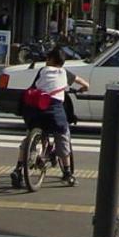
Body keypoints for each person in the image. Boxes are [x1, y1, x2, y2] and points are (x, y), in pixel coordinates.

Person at [12, 48, 89, 188]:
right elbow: (84, 84)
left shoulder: (42, 71)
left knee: (29, 136)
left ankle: (17, 170)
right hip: (54, 112)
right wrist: (83, 88)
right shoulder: (65, 73)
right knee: (63, 135)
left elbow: (35, 87)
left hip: (35, 111)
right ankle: (67, 174)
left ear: (50, 60)